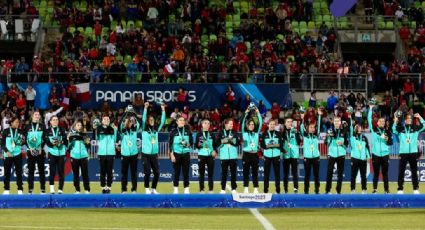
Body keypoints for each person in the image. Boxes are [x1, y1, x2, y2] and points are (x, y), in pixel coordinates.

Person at [393, 112, 424, 194]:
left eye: (410, 118)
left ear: (411, 120)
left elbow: (424, 126)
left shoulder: (416, 128)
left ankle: (415, 188)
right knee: (401, 171)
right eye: (408, 119)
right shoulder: (401, 129)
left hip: (413, 152)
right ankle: (400, 189)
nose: (409, 120)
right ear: (405, 120)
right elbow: (393, 129)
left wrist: (420, 117)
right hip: (403, 153)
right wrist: (395, 122)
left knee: (414, 171)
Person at [141, 102, 166, 194]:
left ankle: (154, 189)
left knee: (157, 173)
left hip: (154, 154)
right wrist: (145, 108)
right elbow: (143, 119)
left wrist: (163, 110)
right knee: (147, 172)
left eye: (153, 119)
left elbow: (163, 121)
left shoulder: (156, 129)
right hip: (145, 154)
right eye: (150, 119)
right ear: (147, 121)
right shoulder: (144, 129)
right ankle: (147, 188)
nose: (152, 120)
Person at [368, 104, 393, 194]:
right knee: (376, 173)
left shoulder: (387, 132)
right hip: (376, 154)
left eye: (383, 121)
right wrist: (370, 109)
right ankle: (375, 189)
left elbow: (391, 143)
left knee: (385, 173)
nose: (382, 122)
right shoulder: (374, 129)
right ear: (377, 123)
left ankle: (386, 190)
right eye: (380, 121)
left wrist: (387, 140)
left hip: (385, 155)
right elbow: (369, 120)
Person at [93, 114, 118, 194]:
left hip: (111, 153)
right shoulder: (99, 129)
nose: (106, 120)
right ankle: (103, 187)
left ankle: (109, 187)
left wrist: (116, 130)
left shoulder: (113, 129)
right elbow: (95, 138)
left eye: (108, 119)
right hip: (102, 153)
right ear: (102, 121)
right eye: (105, 119)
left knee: (110, 171)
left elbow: (115, 139)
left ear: (109, 121)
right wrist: (94, 129)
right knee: (102, 171)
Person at [118, 106, 140, 194]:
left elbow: (138, 122)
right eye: (128, 122)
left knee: (134, 173)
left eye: (131, 122)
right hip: (125, 154)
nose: (129, 123)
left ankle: (134, 189)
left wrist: (133, 113)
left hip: (134, 154)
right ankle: (124, 189)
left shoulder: (135, 131)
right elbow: (119, 123)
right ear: (125, 123)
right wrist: (125, 113)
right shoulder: (123, 132)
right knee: (124, 173)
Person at [300, 109, 322, 194]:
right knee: (307, 175)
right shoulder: (305, 135)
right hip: (307, 158)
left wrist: (319, 116)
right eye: (311, 127)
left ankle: (317, 190)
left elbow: (319, 126)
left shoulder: (316, 135)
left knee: (316, 175)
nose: (313, 129)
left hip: (316, 157)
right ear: (307, 128)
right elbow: (302, 127)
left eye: (313, 127)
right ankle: (306, 191)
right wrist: (302, 118)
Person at [44, 115, 67, 194]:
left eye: (56, 120)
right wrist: (54, 144)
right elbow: (47, 142)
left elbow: (65, 140)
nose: (55, 121)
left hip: (61, 153)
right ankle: (52, 189)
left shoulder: (62, 129)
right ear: (50, 122)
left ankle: (60, 189)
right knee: (52, 172)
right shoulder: (47, 131)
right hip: (52, 153)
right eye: (53, 120)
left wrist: (60, 142)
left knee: (61, 172)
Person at [169, 115, 193, 194]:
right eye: (180, 120)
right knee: (177, 172)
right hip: (176, 154)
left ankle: (186, 188)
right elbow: (170, 145)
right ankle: (175, 188)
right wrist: (172, 155)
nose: (182, 121)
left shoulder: (188, 131)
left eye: (183, 120)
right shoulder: (173, 132)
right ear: (177, 122)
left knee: (186, 172)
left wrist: (186, 144)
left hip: (186, 154)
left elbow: (191, 143)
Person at [241, 107, 262, 193]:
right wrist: (246, 113)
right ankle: (246, 187)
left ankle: (255, 188)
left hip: (255, 155)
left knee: (255, 172)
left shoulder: (256, 133)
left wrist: (258, 113)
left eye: (253, 125)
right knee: (246, 172)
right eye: (250, 124)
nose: (252, 126)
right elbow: (242, 124)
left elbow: (260, 123)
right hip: (246, 154)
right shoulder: (244, 133)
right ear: (247, 125)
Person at [325, 116, 348, 194]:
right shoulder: (330, 130)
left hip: (341, 154)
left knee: (340, 173)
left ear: (340, 122)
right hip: (332, 154)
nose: (337, 122)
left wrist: (342, 144)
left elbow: (347, 145)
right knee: (329, 172)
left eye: (338, 121)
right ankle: (328, 190)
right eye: (335, 121)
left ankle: (338, 191)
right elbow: (326, 143)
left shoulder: (344, 131)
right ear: (333, 122)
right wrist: (328, 138)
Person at [348, 110, 370, 194]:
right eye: (357, 127)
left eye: (360, 127)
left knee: (363, 175)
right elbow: (350, 128)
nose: (359, 128)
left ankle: (364, 189)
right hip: (355, 158)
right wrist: (350, 118)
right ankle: (353, 189)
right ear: (355, 128)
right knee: (353, 175)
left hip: (363, 159)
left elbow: (367, 148)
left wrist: (368, 156)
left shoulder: (364, 137)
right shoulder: (353, 137)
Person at [217, 118, 241, 194]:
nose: (232, 125)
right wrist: (224, 141)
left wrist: (231, 142)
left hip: (233, 156)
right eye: (230, 123)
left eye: (232, 124)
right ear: (226, 124)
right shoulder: (220, 133)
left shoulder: (234, 132)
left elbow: (238, 143)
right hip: (224, 156)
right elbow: (217, 144)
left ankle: (234, 188)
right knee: (224, 173)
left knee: (233, 173)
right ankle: (223, 188)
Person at [2, 117, 24, 195]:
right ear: (11, 123)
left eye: (18, 122)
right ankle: (6, 189)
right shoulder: (5, 131)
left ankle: (20, 189)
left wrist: (22, 141)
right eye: (16, 122)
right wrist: (7, 151)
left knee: (19, 172)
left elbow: (22, 143)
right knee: (7, 172)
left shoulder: (20, 131)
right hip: (8, 155)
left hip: (17, 154)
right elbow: (2, 144)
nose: (17, 124)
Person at [26, 110, 46, 194]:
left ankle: (43, 189)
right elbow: (25, 139)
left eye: (38, 115)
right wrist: (29, 148)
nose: (37, 116)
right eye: (35, 114)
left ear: (40, 117)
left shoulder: (43, 126)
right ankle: (30, 190)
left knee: (41, 171)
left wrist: (41, 147)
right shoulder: (27, 126)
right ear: (32, 116)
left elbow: (44, 138)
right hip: (30, 151)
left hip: (40, 151)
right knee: (31, 171)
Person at [68, 120, 91, 194]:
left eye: (80, 125)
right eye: (78, 125)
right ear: (74, 126)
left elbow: (88, 146)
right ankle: (77, 189)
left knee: (85, 174)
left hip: (84, 156)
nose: (79, 126)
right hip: (74, 157)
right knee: (75, 174)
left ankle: (87, 189)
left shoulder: (84, 135)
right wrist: (70, 141)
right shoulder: (71, 135)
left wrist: (87, 142)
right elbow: (68, 147)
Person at [195, 118, 217, 193]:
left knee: (210, 173)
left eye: (208, 123)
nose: (207, 125)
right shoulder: (199, 134)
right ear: (202, 124)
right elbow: (196, 146)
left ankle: (211, 190)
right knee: (201, 174)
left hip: (210, 155)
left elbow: (215, 145)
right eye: (205, 123)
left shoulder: (212, 134)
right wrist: (199, 144)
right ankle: (202, 189)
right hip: (201, 155)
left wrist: (215, 151)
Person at [261, 119, 282, 194]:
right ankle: (265, 191)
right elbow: (262, 145)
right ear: (268, 125)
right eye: (271, 124)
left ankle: (278, 190)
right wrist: (273, 145)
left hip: (276, 156)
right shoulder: (264, 134)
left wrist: (270, 145)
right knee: (266, 174)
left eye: (274, 124)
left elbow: (281, 145)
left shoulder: (278, 134)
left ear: (275, 125)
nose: (272, 126)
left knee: (277, 174)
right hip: (267, 156)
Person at [282, 117, 301, 194]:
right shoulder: (282, 133)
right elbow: (280, 144)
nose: (290, 123)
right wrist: (283, 151)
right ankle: (286, 189)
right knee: (286, 173)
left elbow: (299, 142)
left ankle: (295, 189)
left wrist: (296, 133)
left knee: (295, 173)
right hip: (286, 155)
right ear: (285, 123)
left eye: (291, 122)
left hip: (294, 155)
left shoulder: (295, 131)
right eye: (288, 121)